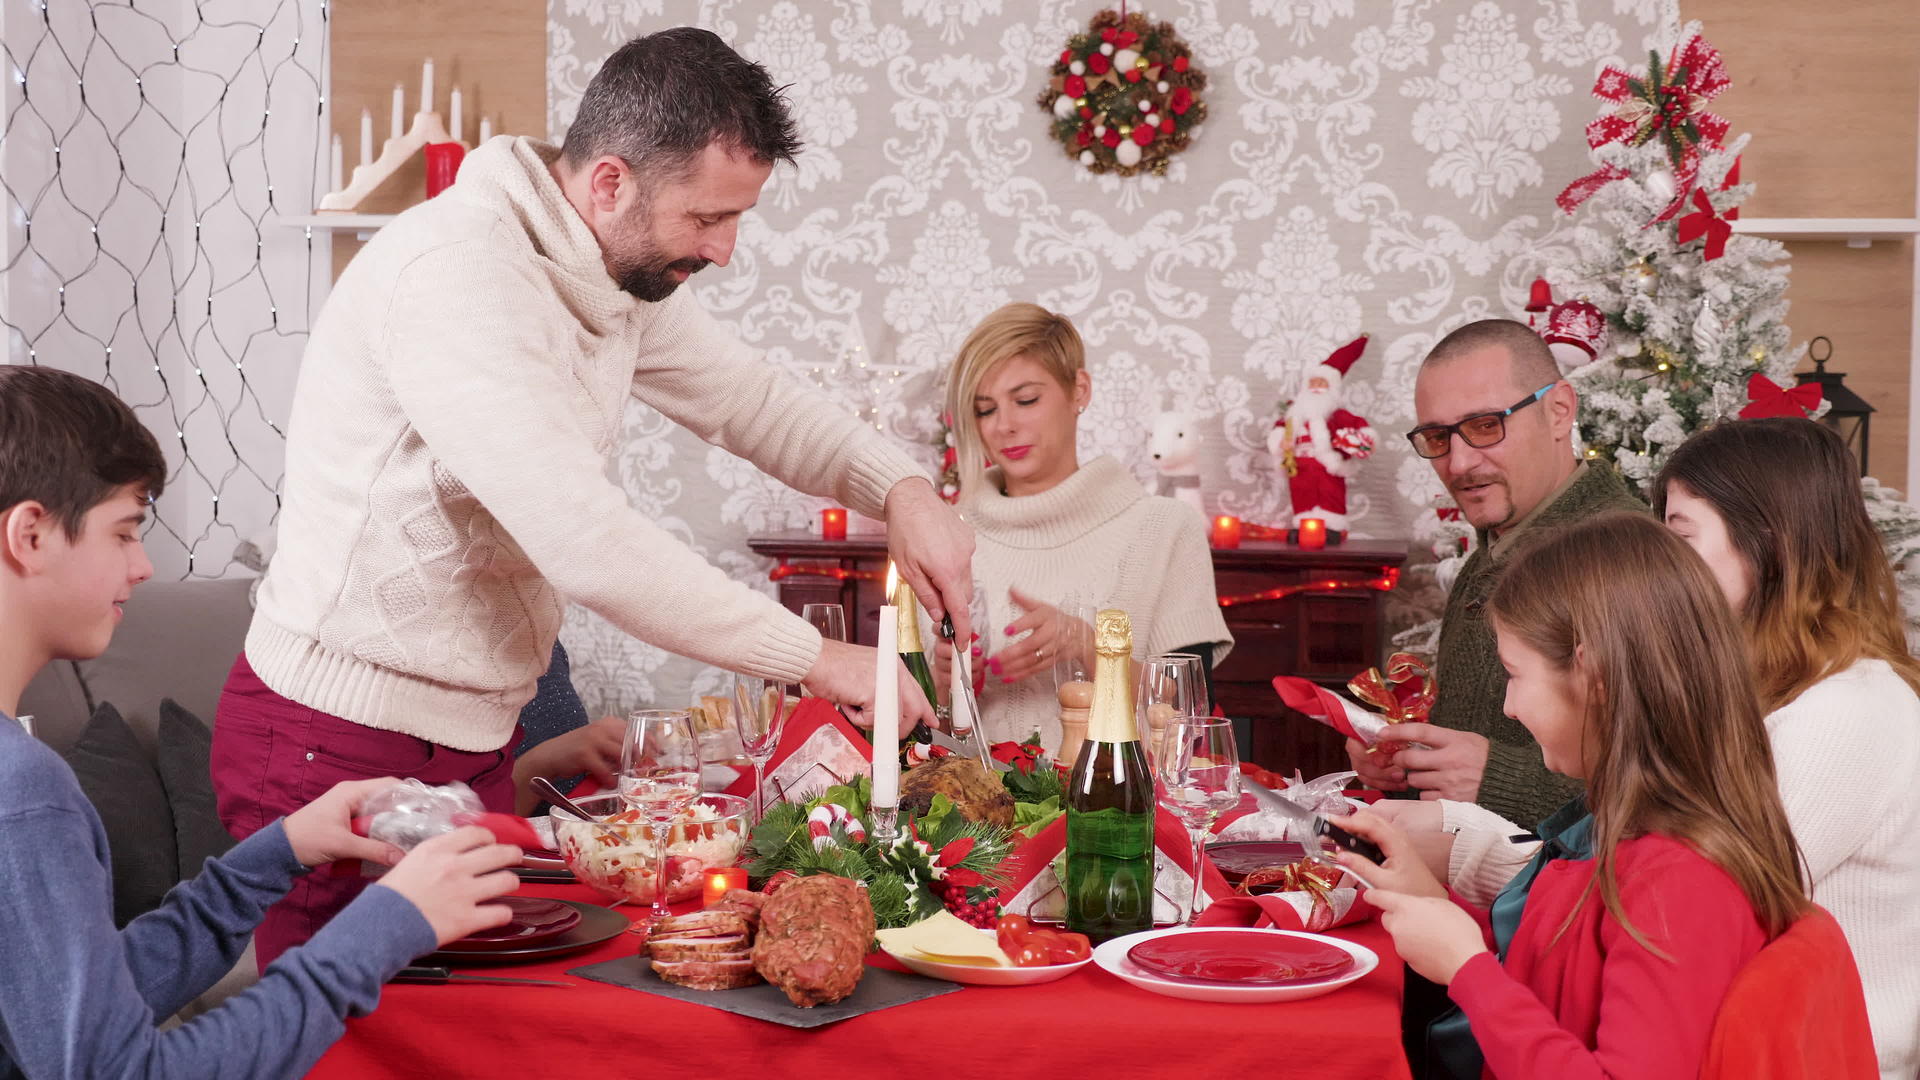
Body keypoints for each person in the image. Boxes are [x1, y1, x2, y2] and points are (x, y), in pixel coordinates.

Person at [212, 28, 975, 963]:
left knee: (462, 1042)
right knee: (352, 1048)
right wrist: (823, 660)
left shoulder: (606, 266)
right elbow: (589, 543)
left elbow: (752, 403)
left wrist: (902, 489)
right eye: (707, 218)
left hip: (471, 744)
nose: (727, 249)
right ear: (610, 182)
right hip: (330, 744)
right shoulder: (458, 276)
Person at [0, 366, 521, 1078]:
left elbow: (63, 1014)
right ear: (29, 534)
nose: (145, 565)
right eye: (124, 533)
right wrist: (390, 922)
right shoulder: (24, 792)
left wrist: (278, 854)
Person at [1392, 418, 1920, 1079]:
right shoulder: (1748, 694)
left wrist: (1465, 926)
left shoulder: (1846, 712)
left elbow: (1652, 898)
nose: (1658, 559)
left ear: (1770, 544)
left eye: (1678, 533)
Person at [1338, 512, 1818, 1078]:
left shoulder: (1680, 878)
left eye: (1515, 676)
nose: (1508, 708)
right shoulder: (1624, 819)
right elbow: (1563, 964)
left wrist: (1468, 968)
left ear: (1596, 676)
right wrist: (1437, 908)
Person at [1356, 318, 1641, 827]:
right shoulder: (1490, 553)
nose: (1460, 463)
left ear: (1559, 412)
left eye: (1486, 425)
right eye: (1437, 437)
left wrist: (1496, 780)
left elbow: (1665, 787)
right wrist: (1409, 761)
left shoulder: (1625, 557)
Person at [930, 302, 1231, 750]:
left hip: (1119, 812)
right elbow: (910, 728)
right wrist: (944, 682)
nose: (1004, 426)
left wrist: (1091, 647)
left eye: (1026, 400)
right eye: (984, 409)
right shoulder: (944, 534)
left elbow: (1189, 709)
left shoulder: (1166, 529)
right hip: (976, 815)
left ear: (1079, 391)